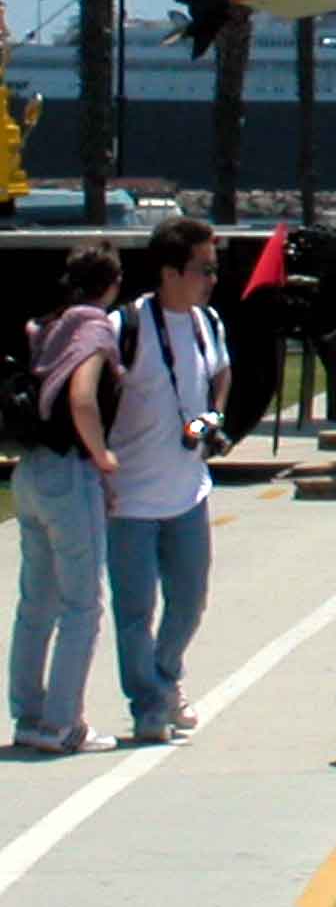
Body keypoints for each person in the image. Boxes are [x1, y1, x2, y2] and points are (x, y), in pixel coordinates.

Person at [107, 217, 231, 745]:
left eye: (214, 269)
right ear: (169, 272)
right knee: (134, 611)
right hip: (129, 497)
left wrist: (211, 419)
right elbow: (89, 395)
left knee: (190, 599)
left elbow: (221, 375)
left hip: (188, 492)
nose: (211, 279)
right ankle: (149, 705)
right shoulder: (125, 326)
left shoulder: (208, 324)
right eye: (203, 269)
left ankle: (164, 676)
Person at [10, 246, 124, 755]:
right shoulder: (95, 329)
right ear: (112, 284)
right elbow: (82, 398)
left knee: (36, 602)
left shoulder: (46, 326)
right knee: (82, 605)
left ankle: (29, 716)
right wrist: (103, 458)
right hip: (69, 471)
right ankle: (63, 724)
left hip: (30, 471)